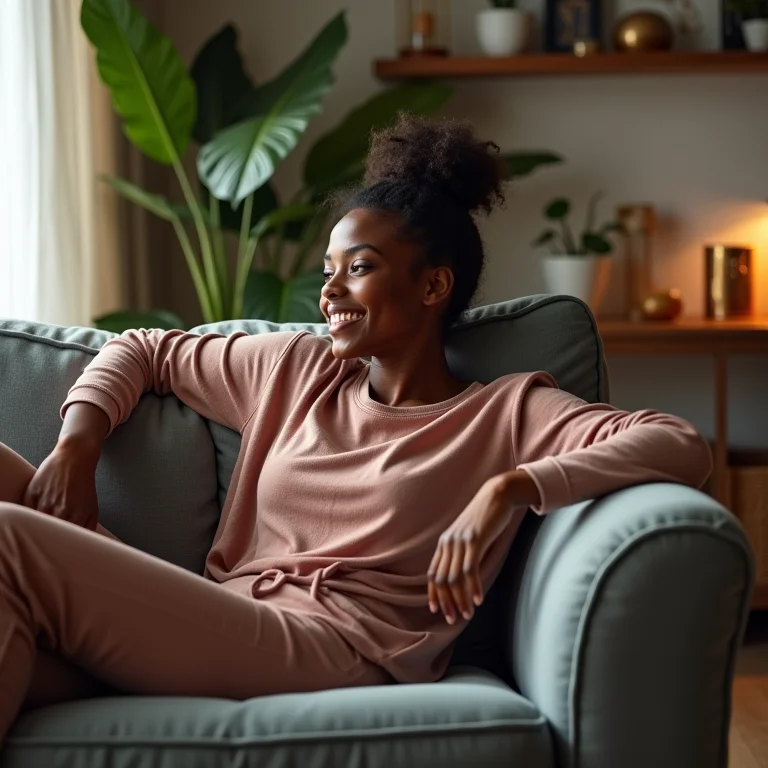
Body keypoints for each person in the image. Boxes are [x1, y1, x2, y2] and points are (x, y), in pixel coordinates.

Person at [0, 114, 712, 738]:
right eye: (329, 269)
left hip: (333, 648)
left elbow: (679, 444)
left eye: (359, 268)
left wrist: (512, 487)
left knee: (10, 541)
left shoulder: (504, 412)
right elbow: (142, 349)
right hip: (219, 619)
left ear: (432, 286)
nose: (330, 291)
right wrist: (77, 446)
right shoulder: (296, 368)